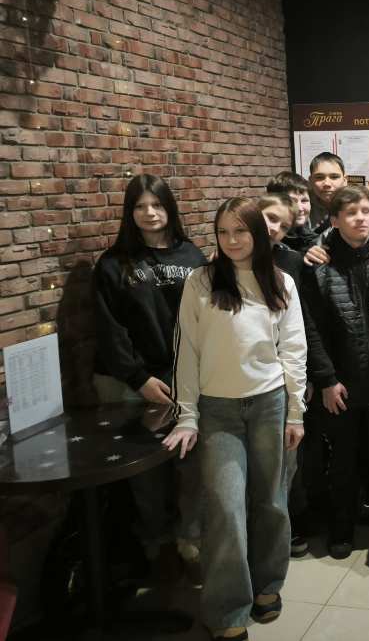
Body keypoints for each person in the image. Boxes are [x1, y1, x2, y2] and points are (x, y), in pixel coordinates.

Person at [163, 197, 307, 641]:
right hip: (217, 410)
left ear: (257, 233)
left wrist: (296, 411)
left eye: (240, 231)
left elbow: (293, 351)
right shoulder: (200, 282)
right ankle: (228, 610)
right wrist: (187, 416)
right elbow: (187, 352)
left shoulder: (280, 282)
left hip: (269, 404)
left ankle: (268, 584)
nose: (232, 240)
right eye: (223, 232)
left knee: (271, 502)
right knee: (225, 509)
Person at [91, 173, 206, 570]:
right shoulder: (112, 264)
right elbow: (108, 329)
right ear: (129, 212)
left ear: (169, 207)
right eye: (140, 206)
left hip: (185, 376)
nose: (149, 213)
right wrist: (138, 378)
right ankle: (156, 544)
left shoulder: (192, 256)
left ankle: (191, 540)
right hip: (133, 383)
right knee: (146, 473)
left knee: (191, 463)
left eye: (156, 204)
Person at [298, 185, 369, 559]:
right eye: (350, 213)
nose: (360, 218)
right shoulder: (318, 263)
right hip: (342, 381)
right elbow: (311, 329)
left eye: (365, 210)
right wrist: (327, 380)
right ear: (334, 220)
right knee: (343, 460)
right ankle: (342, 526)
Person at [258, 193, 312, 559]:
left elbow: (301, 328)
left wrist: (304, 380)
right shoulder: (223, 263)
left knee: (286, 462)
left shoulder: (293, 264)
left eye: (282, 224)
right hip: (240, 380)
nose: (273, 227)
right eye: (269, 217)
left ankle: (285, 529)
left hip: (283, 377)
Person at [266, 171, 315, 253]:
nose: (300, 208)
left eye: (304, 200)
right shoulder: (264, 241)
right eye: (292, 201)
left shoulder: (315, 241)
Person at [307, 152, 347, 233]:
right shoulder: (302, 207)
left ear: (344, 180)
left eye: (334, 177)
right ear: (310, 181)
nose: (327, 184)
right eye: (319, 177)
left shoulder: (357, 204)